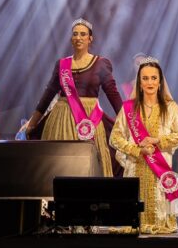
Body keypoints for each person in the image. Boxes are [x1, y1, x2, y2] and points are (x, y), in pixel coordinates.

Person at [21, 18, 123, 176]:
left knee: (89, 165)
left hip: (90, 120)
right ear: (71, 39)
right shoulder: (62, 64)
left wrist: (127, 122)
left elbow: (113, 93)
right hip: (60, 119)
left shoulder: (101, 63)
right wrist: (32, 123)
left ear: (90, 39)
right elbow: (48, 94)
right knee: (58, 164)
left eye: (83, 34)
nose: (78, 37)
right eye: (75, 34)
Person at [110, 58, 178, 234]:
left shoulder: (171, 108)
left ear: (160, 82)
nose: (150, 82)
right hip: (135, 166)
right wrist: (137, 150)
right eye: (145, 78)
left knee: (160, 218)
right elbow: (115, 138)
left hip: (160, 170)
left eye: (154, 78)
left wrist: (159, 140)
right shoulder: (128, 109)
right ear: (139, 82)